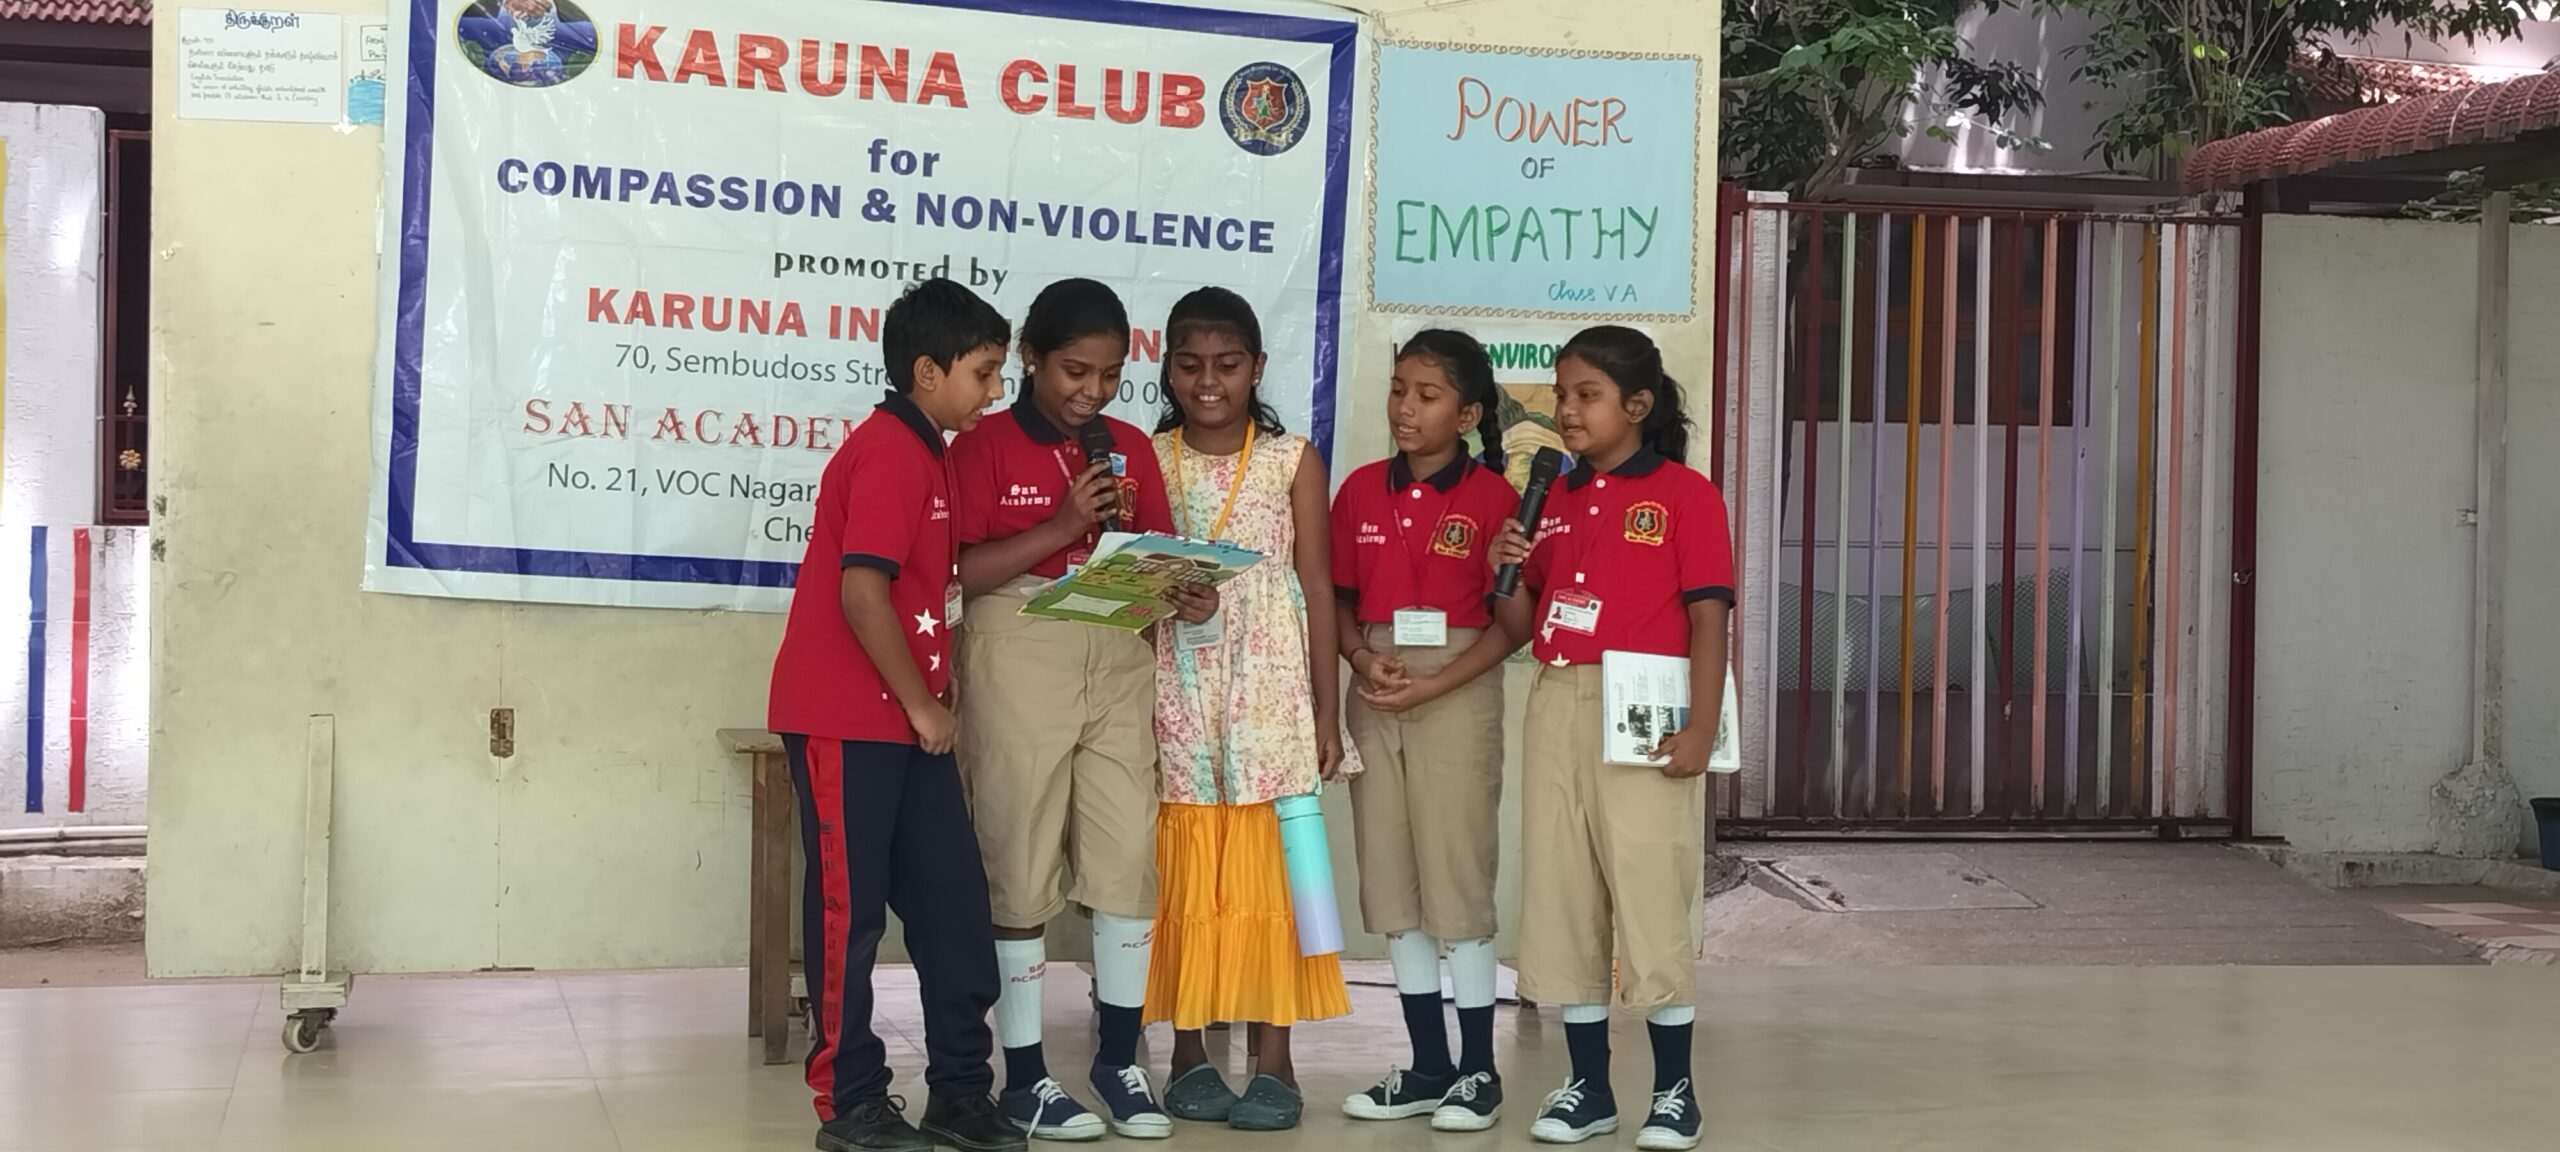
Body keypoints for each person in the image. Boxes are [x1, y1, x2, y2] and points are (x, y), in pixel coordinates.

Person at [766, 278, 1026, 1152]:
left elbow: (932, 591)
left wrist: (932, 698)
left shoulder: (934, 451)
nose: (995, 390)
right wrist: (919, 701)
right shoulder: (887, 451)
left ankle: (960, 1089)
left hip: (912, 723)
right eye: (984, 372)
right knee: (851, 914)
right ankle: (851, 1102)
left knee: (953, 902)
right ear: (927, 372)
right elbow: (862, 591)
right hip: (850, 718)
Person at [947, 278, 1209, 1142]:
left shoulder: (1129, 446)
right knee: (1018, 854)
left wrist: (1188, 593)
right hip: (1019, 647)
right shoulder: (982, 445)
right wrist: (1062, 526)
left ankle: (1118, 1060)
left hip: (1119, 649)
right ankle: (1026, 1077)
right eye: (1074, 371)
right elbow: (957, 573)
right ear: (1029, 359)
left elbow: (1157, 555)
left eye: (1109, 375)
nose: (1093, 392)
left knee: (1128, 855)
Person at [1490, 326, 1733, 1152]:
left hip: (1645, 712)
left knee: (1650, 889)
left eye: (1585, 395)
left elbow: (1709, 617)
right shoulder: (1552, 498)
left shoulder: (1685, 494)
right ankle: (1588, 1088)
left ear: (1637, 405)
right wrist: (1504, 567)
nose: (1567, 410)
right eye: (1561, 394)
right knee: (1564, 892)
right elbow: (1521, 622)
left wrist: (1701, 727)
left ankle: (1674, 1091)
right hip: (1558, 699)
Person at [1142, 287, 1351, 1133]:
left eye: (1227, 365)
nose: (1209, 382)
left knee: (1273, 874)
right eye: (1190, 365)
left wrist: (1329, 713)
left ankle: (1275, 1060)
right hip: (1179, 690)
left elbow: (1318, 588)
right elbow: (1127, 583)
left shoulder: (1292, 459)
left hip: (1271, 691)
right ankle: (1187, 1054)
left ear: (1257, 367)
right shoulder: (1149, 461)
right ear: (1167, 369)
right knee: (1189, 869)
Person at [1331, 329, 1526, 1132]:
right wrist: (1359, 656)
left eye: (1428, 395)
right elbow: (1340, 598)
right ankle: (1426, 1068)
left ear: (1467, 414)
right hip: (1377, 683)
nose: (1406, 408)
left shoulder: (1495, 500)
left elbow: (1512, 626)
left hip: (1456, 686)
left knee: (1457, 876)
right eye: (1398, 390)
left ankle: (1479, 1071)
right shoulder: (1358, 492)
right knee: (1394, 884)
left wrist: (1437, 682)